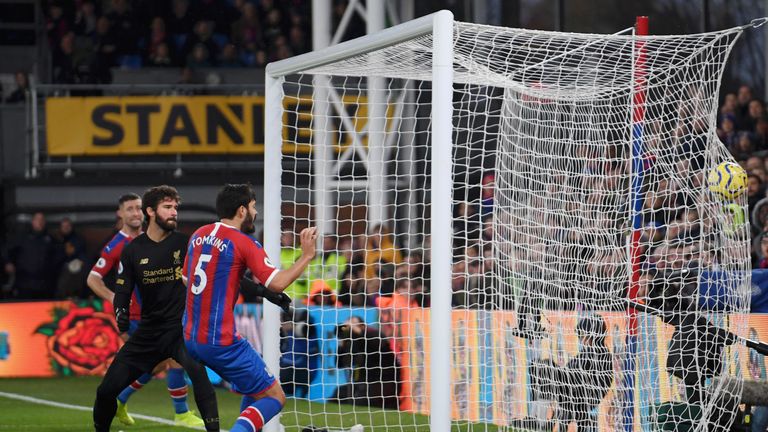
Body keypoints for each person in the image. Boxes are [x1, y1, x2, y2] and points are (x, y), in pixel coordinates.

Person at [184, 183, 316, 432]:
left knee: (255, 388)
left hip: (191, 336)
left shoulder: (198, 234)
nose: (256, 213)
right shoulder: (244, 242)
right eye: (254, 207)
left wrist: (257, 291)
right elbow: (277, 283)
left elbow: (187, 278)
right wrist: (306, 255)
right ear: (242, 210)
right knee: (274, 398)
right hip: (220, 341)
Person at [93, 185, 219, 432]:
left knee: (199, 376)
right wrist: (120, 312)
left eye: (175, 208)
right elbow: (123, 289)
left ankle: (192, 419)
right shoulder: (132, 249)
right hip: (148, 332)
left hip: (179, 330)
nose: (174, 213)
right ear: (151, 211)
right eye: (168, 207)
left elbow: (217, 272)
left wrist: (263, 291)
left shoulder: (187, 244)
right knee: (105, 390)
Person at [528, 314, 613, 432]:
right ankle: (537, 418)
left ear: (592, 334)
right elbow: (571, 369)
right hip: (574, 390)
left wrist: (558, 374)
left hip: (584, 395)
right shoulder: (587, 353)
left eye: (583, 335)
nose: (581, 339)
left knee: (545, 367)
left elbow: (579, 375)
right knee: (538, 366)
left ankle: (538, 420)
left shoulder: (599, 353)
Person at [6, 212, 55, 299]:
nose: (39, 222)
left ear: (44, 223)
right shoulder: (22, 237)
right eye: (37, 219)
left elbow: (57, 260)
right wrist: (8, 262)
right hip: (24, 283)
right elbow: (8, 250)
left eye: (42, 220)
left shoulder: (50, 240)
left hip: (44, 285)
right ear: (32, 222)